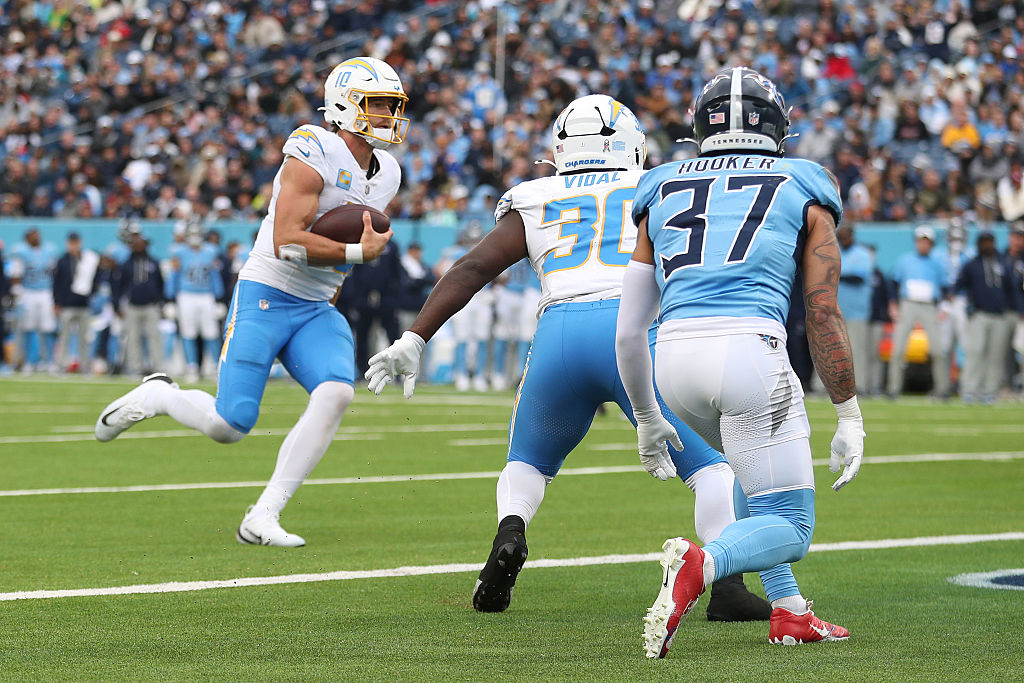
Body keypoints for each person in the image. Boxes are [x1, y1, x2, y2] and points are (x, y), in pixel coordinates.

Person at [366, 94, 774, 622]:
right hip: (636, 329)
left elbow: (471, 268)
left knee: (527, 461)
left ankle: (511, 531)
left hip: (559, 332)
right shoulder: (661, 183)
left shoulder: (537, 195)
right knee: (710, 467)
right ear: (630, 145)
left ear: (561, 148)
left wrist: (415, 337)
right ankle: (726, 588)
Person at [93, 56, 404, 546]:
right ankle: (159, 396)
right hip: (268, 291)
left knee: (338, 392)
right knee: (230, 424)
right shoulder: (312, 146)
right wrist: (355, 252)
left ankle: (264, 513)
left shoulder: (388, 174)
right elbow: (287, 239)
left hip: (315, 305)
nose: (389, 114)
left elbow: (345, 251)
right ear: (345, 106)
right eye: (378, 104)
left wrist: (341, 275)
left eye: (392, 105)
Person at [614, 68, 862, 657]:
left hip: (672, 363)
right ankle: (702, 566)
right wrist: (848, 412)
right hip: (750, 354)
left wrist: (648, 417)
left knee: (754, 483)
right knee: (793, 527)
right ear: (777, 127)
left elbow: (628, 330)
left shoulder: (661, 183)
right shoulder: (806, 180)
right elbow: (822, 310)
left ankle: (791, 612)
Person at [956, 232, 1021, 403]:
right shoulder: (972, 265)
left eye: (990, 242)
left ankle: (989, 391)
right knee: (975, 352)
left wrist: (1018, 309)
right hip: (979, 314)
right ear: (979, 244)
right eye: (984, 242)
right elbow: (958, 285)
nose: (987, 245)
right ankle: (969, 390)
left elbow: (1012, 289)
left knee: (995, 356)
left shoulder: (1002, 263)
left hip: (1000, 315)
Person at [887, 225, 950, 398]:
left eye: (926, 242)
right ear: (916, 242)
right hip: (908, 304)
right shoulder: (905, 260)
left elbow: (945, 288)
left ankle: (942, 389)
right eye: (920, 241)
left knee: (937, 350)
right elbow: (894, 283)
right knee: (898, 348)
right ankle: (894, 388)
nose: (923, 245)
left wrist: (944, 307)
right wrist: (893, 305)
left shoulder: (937, 264)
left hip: (929, 306)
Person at [166, 222, 225, 382]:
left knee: (211, 332)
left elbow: (215, 276)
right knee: (188, 332)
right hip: (186, 295)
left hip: (206, 296)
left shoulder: (211, 251)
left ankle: (215, 366)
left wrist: (219, 297)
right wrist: (170, 298)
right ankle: (191, 366)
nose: (194, 238)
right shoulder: (179, 252)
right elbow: (174, 276)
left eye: (197, 234)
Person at [8, 227, 58, 372]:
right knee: (28, 328)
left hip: (46, 292)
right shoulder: (20, 252)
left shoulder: (49, 250)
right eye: (33, 235)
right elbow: (15, 275)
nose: (36, 237)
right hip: (28, 292)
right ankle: (29, 361)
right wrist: (18, 294)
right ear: (27, 238)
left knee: (48, 328)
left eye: (37, 235)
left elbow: (55, 273)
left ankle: (49, 361)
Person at [116, 231, 165, 376]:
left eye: (141, 244)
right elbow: (120, 285)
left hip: (150, 305)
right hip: (132, 305)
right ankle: (135, 367)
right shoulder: (126, 264)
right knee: (133, 338)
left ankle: (158, 367)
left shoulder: (153, 262)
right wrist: (118, 304)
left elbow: (160, 283)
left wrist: (160, 301)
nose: (138, 247)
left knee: (154, 337)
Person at [836, 225, 874, 395]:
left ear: (852, 235)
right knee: (830, 349)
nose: (843, 239)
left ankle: (861, 386)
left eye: (845, 235)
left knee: (857, 350)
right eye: (840, 236)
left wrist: (836, 273)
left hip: (856, 311)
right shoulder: (833, 249)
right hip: (834, 311)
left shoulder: (862, 253)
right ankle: (824, 386)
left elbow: (858, 277)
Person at [53, 232, 98, 372]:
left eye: (76, 242)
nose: (74, 245)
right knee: (64, 337)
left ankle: (85, 366)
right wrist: (57, 302)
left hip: (83, 305)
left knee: (84, 338)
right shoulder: (63, 260)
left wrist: (91, 295)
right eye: (72, 242)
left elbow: (94, 280)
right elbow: (57, 283)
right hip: (67, 304)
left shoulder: (87, 259)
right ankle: (62, 365)